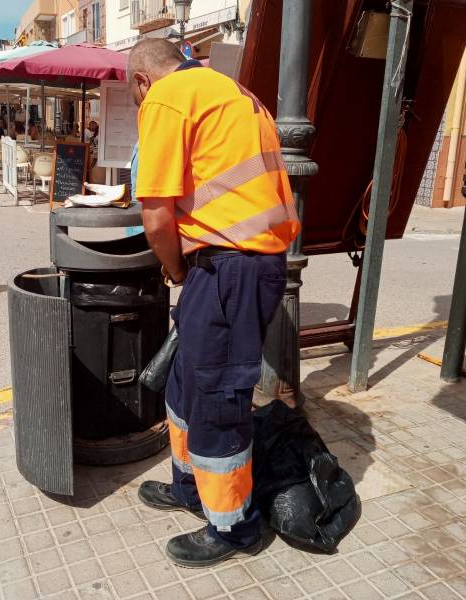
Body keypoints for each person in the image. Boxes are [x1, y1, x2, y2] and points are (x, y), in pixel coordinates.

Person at [129, 39, 299, 568]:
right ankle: (190, 487)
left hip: (227, 265)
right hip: (237, 262)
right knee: (186, 379)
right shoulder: (230, 90)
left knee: (218, 392)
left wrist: (176, 271)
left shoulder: (168, 96)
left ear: (141, 82)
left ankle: (233, 525)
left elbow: (155, 214)